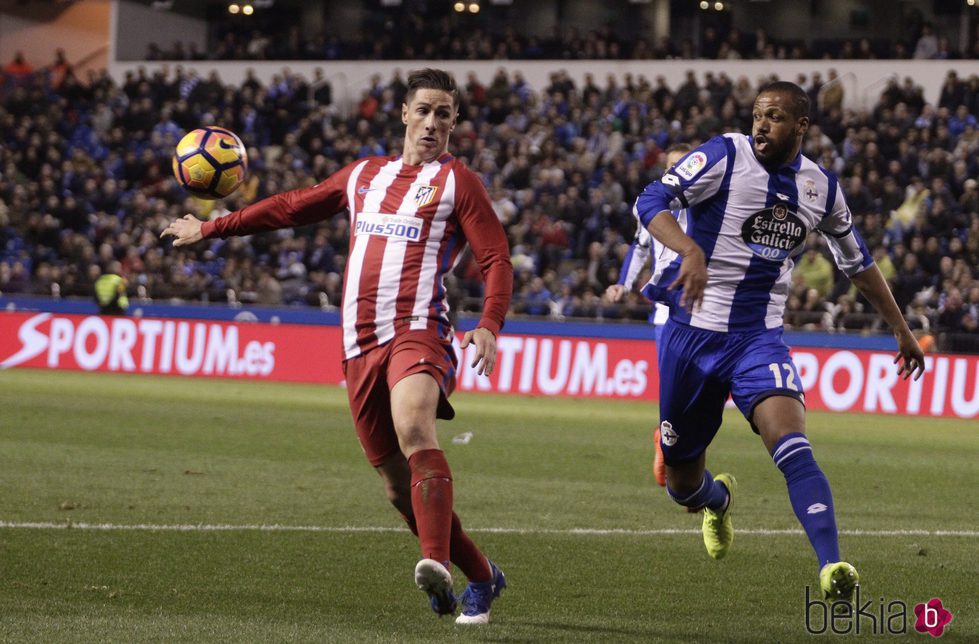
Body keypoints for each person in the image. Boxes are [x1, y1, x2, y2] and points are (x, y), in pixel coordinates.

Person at [162, 68, 512, 624]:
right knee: (399, 490)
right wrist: (211, 229)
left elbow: (495, 259)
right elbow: (291, 207)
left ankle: (435, 561)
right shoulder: (364, 175)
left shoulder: (458, 183)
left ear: (454, 123)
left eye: (443, 114)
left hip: (417, 331)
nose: (432, 123)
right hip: (357, 345)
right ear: (403, 114)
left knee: (415, 425)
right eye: (423, 110)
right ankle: (484, 575)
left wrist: (490, 323)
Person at [634, 81, 925, 601]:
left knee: (792, 445)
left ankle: (832, 564)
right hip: (689, 337)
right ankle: (717, 500)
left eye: (773, 116)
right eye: (757, 115)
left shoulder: (822, 189)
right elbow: (650, 198)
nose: (761, 125)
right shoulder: (724, 153)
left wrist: (901, 329)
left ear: (801, 127)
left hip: (757, 341)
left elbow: (857, 263)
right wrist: (688, 250)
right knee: (681, 484)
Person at [605, 143, 691, 488]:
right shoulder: (654, 206)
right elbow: (639, 247)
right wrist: (623, 284)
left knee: (703, 391)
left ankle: (675, 450)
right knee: (673, 390)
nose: (677, 172)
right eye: (671, 166)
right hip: (666, 311)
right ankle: (672, 451)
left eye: (683, 166)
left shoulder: (709, 203)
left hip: (706, 309)